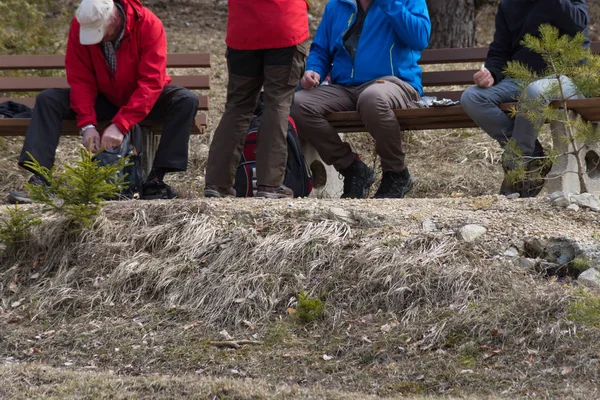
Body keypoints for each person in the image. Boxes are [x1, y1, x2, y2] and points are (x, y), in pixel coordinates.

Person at [8, 0, 199, 204]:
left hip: (143, 99)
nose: (96, 38)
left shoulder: (149, 24)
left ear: (115, 18)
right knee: (48, 99)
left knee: (185, 100)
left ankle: (155, 181)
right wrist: (87, 125)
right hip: (104, 97)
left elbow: (151, 83)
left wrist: (121, 124)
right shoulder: (81, 23)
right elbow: (81, 78)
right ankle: (39, 178)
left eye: (100, 31)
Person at [290, 0, 430, 199]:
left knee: (372, 98)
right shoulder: (336, 5)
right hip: (345, 87)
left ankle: (396, 173)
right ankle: (352, 168)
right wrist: (314, 70)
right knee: (298, 104)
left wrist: (390, 4)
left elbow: (420, 38)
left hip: (395, 82)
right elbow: (321, 50)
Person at [461, 0, 589, 198]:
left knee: (534, 91)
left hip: (565, 76)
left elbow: (578, 24)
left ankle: (517, 164)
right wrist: (492, 74)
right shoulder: (509, 5)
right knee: (472, 98)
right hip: (519, 79)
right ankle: (533, 156)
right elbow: (499, 51)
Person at [203, 0, 310, 199]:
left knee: (237, 107)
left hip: (243, 28)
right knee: (277, 104)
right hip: (284, 24)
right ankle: (269, 185)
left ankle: (217, 183)